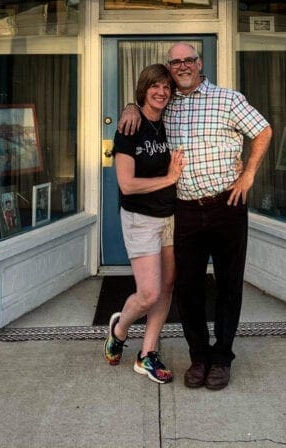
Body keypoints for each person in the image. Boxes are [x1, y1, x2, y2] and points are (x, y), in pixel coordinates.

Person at [119, 43, 272, 391]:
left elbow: (263, 130)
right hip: (185, 209)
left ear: (200, 63)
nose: (183, 66)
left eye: (189, 60)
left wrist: (248, 176)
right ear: (170, 69)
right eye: (176, 62)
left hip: (226, 205)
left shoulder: (227, 99)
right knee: (188, 288)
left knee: (228, 285)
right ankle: (199, 357)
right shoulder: (167, 102)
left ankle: (222, 358)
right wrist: (130, 105)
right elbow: (147, 106)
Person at [104, 64, 186, 384]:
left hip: (171, 216)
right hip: (140, 219)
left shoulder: (170, 123)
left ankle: (147, 354)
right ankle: (120, 329)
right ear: (144, 88)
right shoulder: (129, 127)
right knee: (149, 293)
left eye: (167, 87)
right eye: (155, 86)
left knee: (166, 286)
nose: (161, 92)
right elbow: (126, 185)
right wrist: (169, 178)